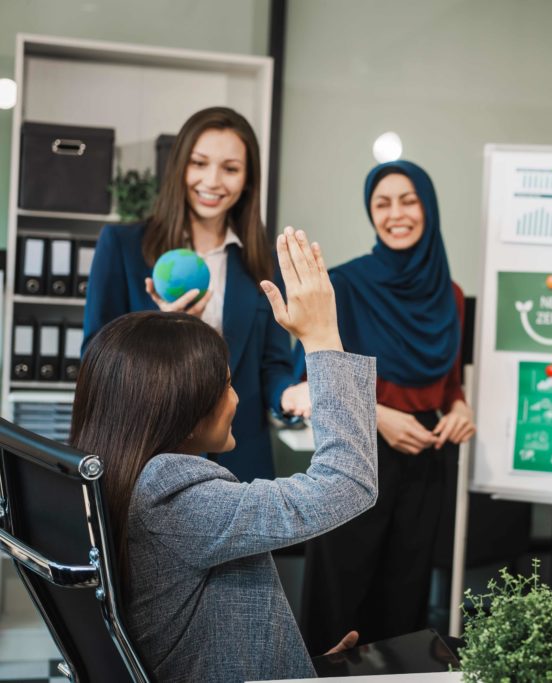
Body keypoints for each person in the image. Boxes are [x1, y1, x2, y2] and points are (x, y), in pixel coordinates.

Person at [70, 227, 375, 682]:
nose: (236, 399)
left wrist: (294, 664)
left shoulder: (123, 474)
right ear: (185, 407)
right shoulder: (174, 499)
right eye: (228, 384)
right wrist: (323, 338)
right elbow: (348, 484)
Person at [294, 160, 475, 651]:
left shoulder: (451, 296)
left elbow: (447, 383)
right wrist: (380, 417)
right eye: (382, 203)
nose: (396, 213)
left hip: (424, 464)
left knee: (403, 611)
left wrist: (459, 409)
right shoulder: (345, 286)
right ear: (370, 213)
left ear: (429, 209)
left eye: (408, 200)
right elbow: (310, 383)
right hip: (353, 458)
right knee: (339, 603)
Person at [83, 106, 306, 482]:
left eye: (231, 169)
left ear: (248, 180)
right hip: (145, 457)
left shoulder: (263, 262)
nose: (212, 181)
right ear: (180, 168)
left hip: (240, 462)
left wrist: (289, 397)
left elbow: (273, 366)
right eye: (199, 163)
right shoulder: (122, 246)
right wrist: (164, 331)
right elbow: (95, 359)